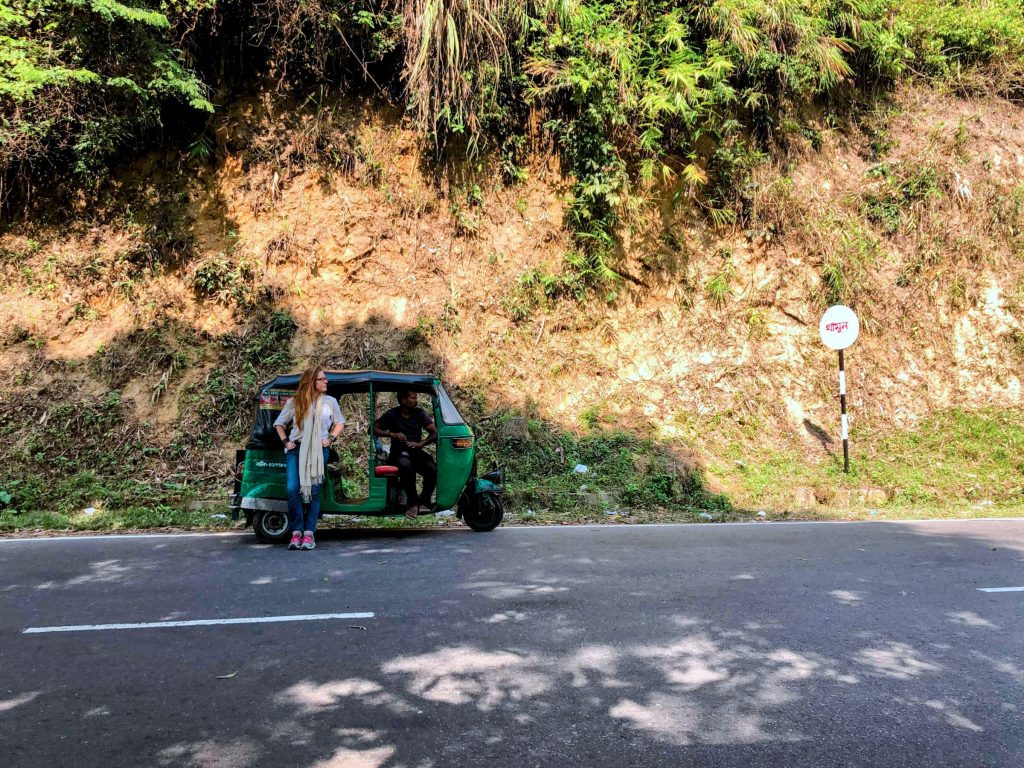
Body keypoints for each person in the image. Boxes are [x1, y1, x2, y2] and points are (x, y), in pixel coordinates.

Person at [273, 366, 345, 550]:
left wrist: (330, 439)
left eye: (325, 379)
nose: (325, 381)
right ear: (311, 382)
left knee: (314, 491)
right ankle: (296, 532)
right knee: (293, 490)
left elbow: (340, 423)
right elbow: (279, 424)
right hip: (297, 449)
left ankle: (309, 533)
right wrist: (286, 442)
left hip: (319, 451)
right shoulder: (295, 402)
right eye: (321, 379)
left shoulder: (330, 402)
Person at [374, 388, 437, 519]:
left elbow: (434, 432)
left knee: (431, 467)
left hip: (416, 452)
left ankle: (424, 501)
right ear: (403, 400)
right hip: (398, 454)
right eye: (413, 398)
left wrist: (421, 443)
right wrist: (392, 434)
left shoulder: (420, 414)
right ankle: (413, 503)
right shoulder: (392, 414)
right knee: (406, 466)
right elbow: (373, 428)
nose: (416, 400)